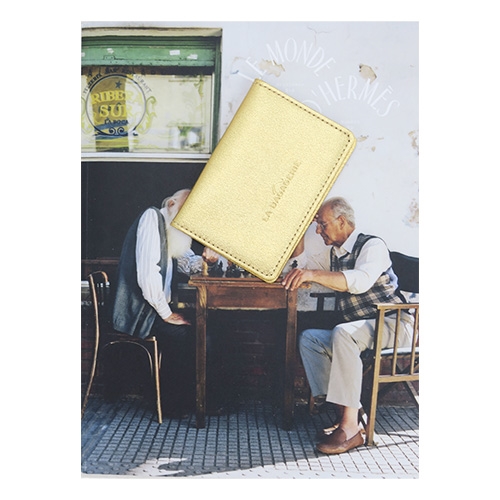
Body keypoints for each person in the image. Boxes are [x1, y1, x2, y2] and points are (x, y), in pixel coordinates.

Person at [281, 197, 414, 454]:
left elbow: (360, 281)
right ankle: (347, 414)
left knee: (343, 332)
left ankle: (351, 430)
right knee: (311, 339)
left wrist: (313, 275)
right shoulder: (335, 254)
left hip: (395, 324)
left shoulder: (372, 245)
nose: (318, 231)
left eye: (322, 224)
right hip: (366, 330)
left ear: (341, 221)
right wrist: (299, 232)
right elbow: (301, 267)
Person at [112, 188, 221, 416]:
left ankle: (198, 401)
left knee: (205, 330)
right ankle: (174, 405)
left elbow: (188, 264)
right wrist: (166, 314)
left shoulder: (170, 230)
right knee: (188, 334)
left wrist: (209, 261)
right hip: (138, 312)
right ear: (171, 204)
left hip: (153, 311)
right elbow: (147, 274)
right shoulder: (152, 218)